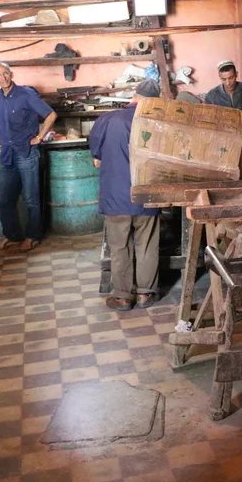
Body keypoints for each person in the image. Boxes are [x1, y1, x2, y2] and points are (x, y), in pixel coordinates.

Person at [89, 80, 162, 311]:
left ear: (134, 96)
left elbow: (97, 160)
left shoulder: (108, 120)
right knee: (147, 244)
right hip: (147, 195)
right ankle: (145, 294)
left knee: (119, 245)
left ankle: (122, 296)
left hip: (116, 196)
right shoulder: (157, 123)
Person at [0, 63, 58, 251]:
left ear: (11, 74)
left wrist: (39, 137)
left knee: (31, 199)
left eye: (5, 73)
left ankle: (33, 236)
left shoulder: (26, 94)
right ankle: (13, 236)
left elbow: (51, 115)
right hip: (8, 155)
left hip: (27, 153)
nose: (2, 78)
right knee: (3, 200)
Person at [204, 60, 242, 130]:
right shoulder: (211, 96)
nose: (228, 83)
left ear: (236, 74)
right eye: (224, 79)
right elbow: (211, 123)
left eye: (231, 78)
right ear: (219, 77)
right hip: (225, 135)